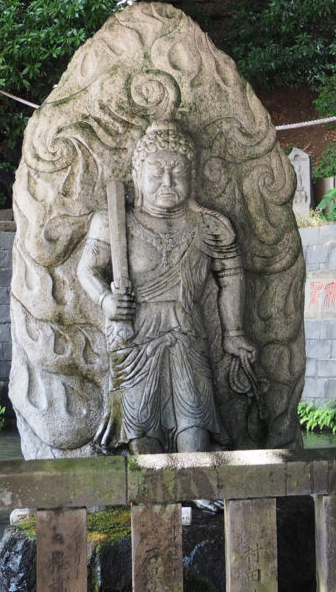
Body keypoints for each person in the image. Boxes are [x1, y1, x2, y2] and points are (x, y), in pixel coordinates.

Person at [77, 121, 257, 455]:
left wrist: (234, 333)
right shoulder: (114, 222)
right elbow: (87, 269)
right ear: (137, 176)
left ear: (193, 176)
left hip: (187, 334)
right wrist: (105, 300)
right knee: (142, 434)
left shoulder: (210, 225)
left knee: (196, 427)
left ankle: (195, 483)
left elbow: (231, 275)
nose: (168, 182)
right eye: (157, 173)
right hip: (134, 338)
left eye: (178, 173)